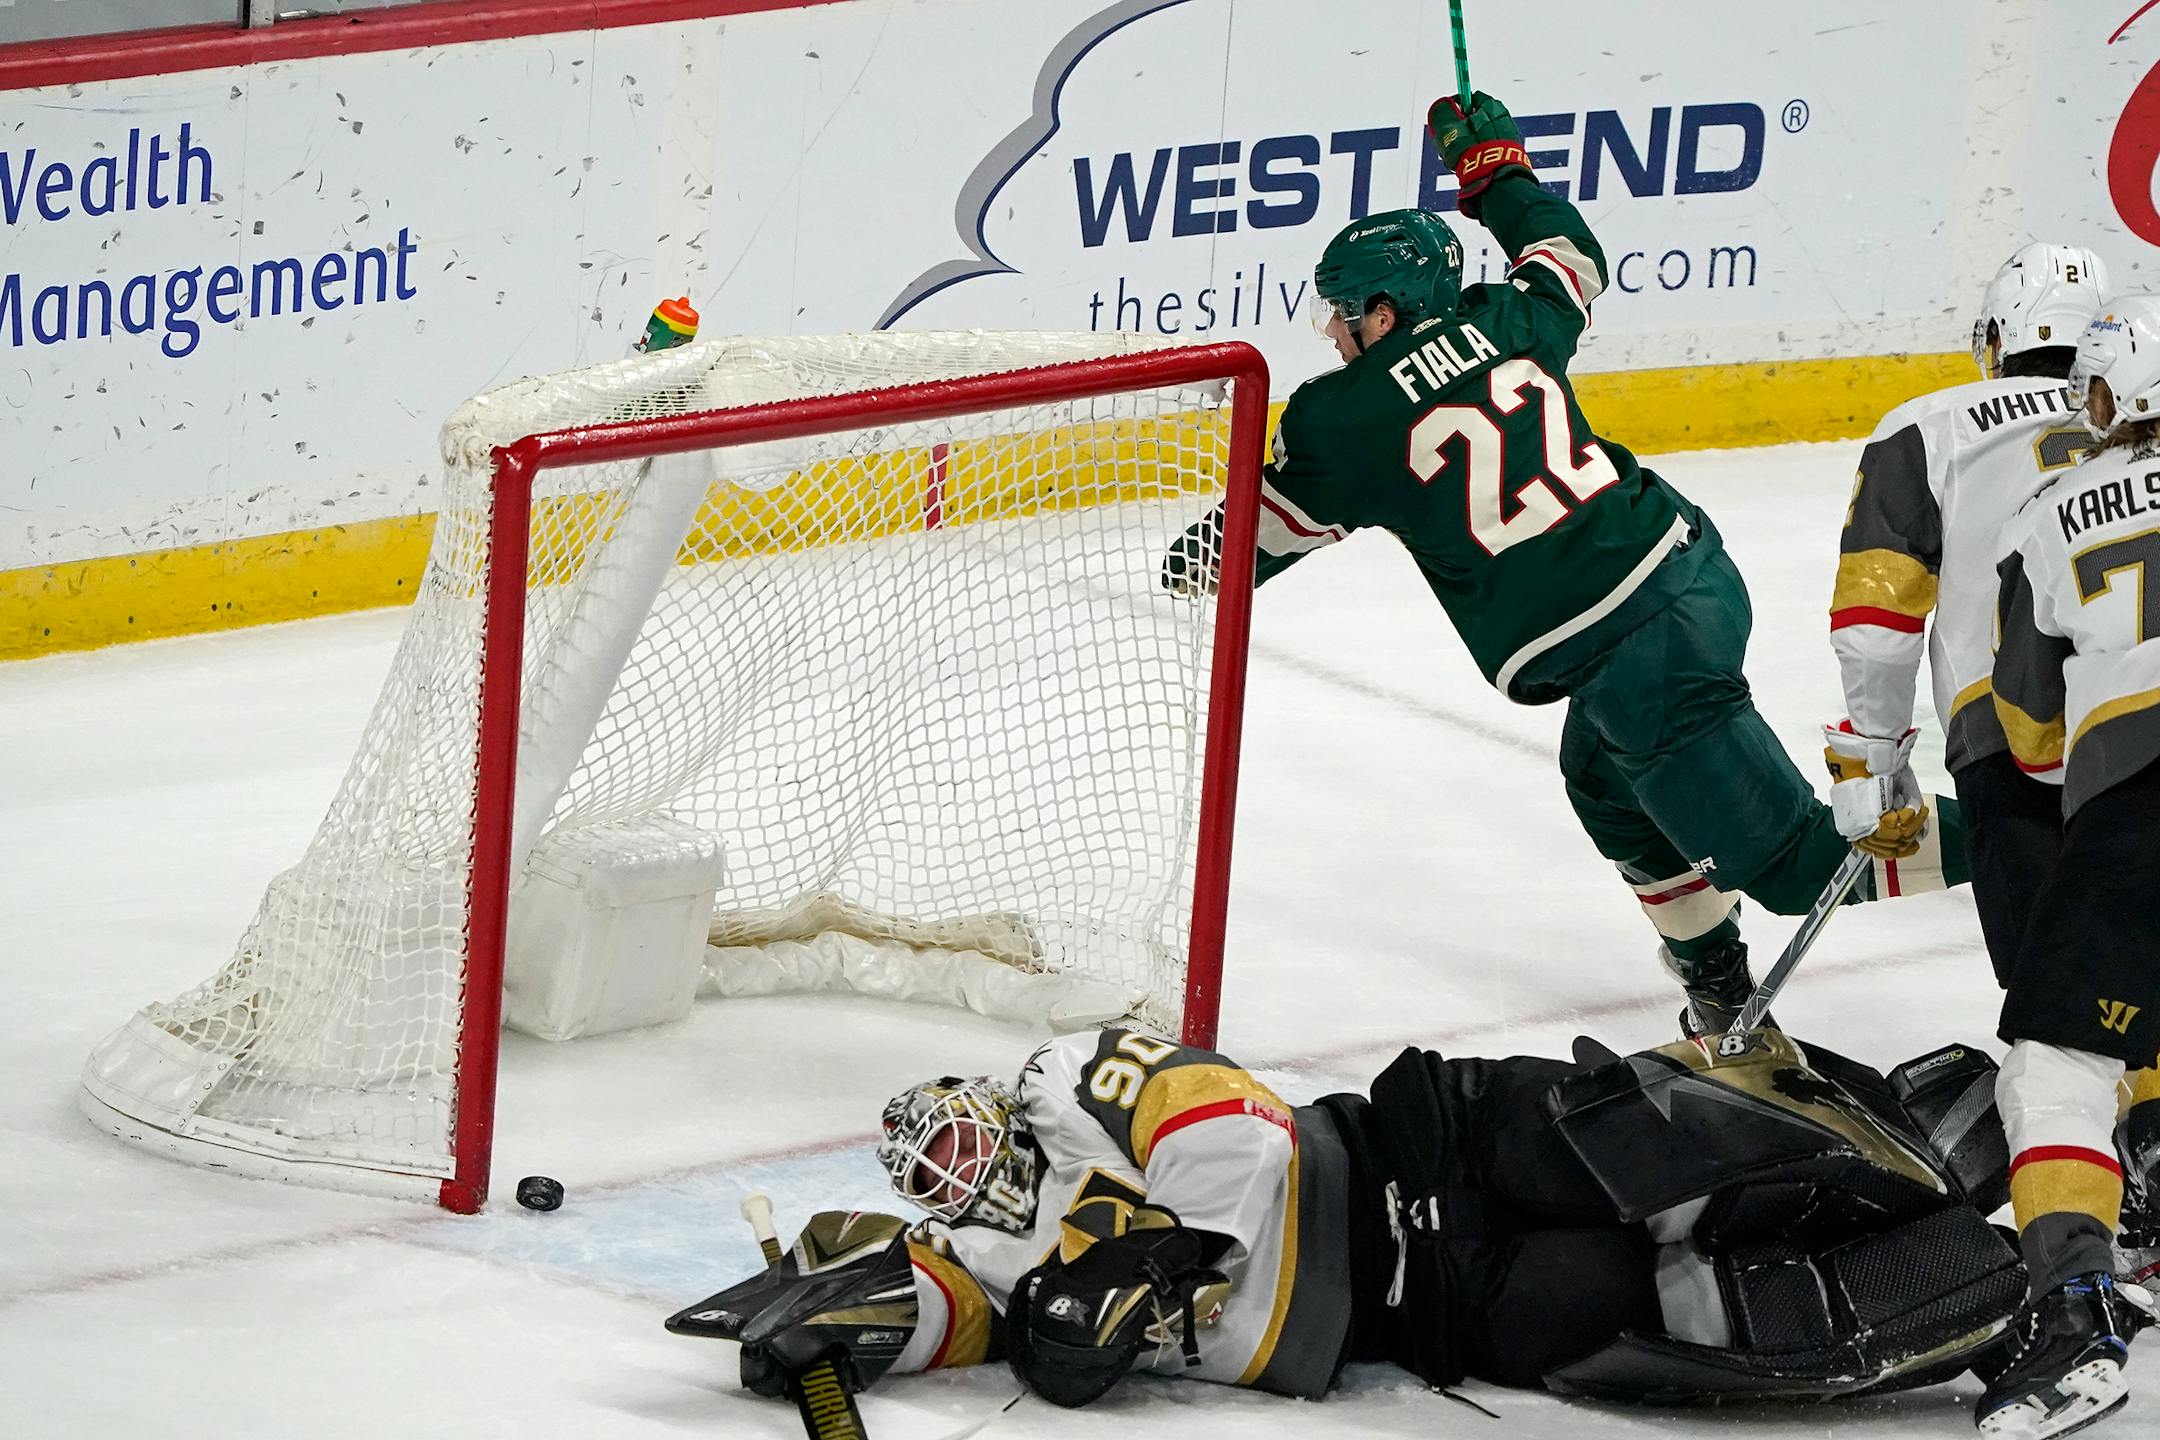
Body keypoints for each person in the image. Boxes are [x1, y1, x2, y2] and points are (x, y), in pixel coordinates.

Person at [1162, 91, 1968, 1035]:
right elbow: (1567, 255)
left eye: (1343, 315)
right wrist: (1496, 171)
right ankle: (1718, 984)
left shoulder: (1341, 421)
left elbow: (1255, 542)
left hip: (1639, 652)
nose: (1334, 336)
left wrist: (1194, 560)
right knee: (1605, 782)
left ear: (1385, 313)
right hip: (1683, 573)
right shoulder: (1510, 319)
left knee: (1796, 869)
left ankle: (2044, 834)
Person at [667, 1023, 2058, 1417]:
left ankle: (2002, 1144)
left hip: (1427, 1146)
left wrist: (1160, 1260)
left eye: (962, 1131)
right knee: (1687, 1321)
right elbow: (954, 1312)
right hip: (1423, 1311)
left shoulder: (1063, 1081)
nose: (971, 1171)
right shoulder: (976, 1250)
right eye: (940, 1175)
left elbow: (1219, 1123)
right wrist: (840, 1336)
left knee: (1679, 1148)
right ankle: (2001, 1278)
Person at [1830, 243, 2105, 983]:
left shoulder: (1926, 427)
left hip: (2009, 733)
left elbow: (1875, 623)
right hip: (2139, 713)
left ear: (1998, 337)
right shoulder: (2136, 419)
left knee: (2057, 1011)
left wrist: (1873, 764)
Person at [1986, 294, 2160, 1437]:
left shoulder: (2051, 511)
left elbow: (2030, 731)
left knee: (2057, 1062)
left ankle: (2077, 1315)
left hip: (2141, 793)